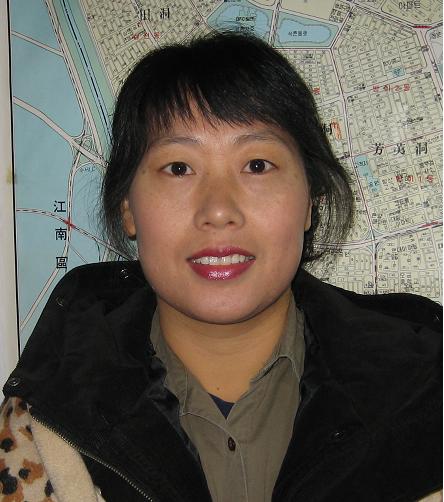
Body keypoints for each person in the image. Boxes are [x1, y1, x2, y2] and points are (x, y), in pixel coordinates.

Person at [1, 32, 441, 502]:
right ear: (128, 207)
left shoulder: (426, 398)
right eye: (178, 168)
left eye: (257, 165)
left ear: (310, 201)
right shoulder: (39, 428)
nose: (217, 210)